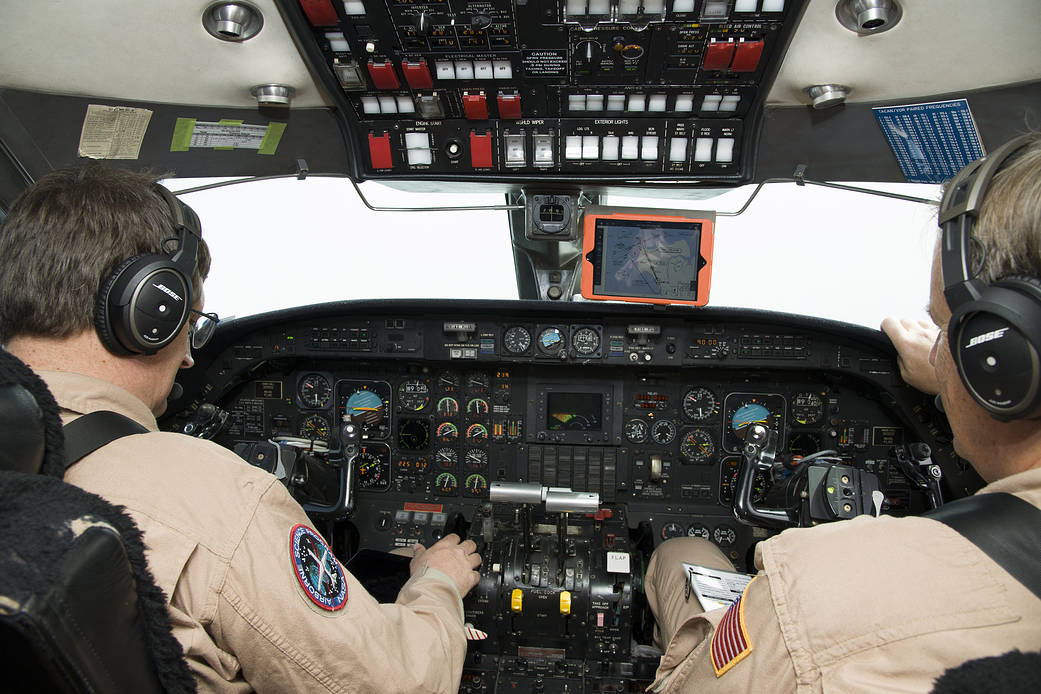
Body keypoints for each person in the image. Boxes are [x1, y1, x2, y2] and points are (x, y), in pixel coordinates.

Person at [0, 165, 482, 693]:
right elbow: (395, 682)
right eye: (191, 322)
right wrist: (438, 582)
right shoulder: (198, 491)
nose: (188, 359)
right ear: (147, 313)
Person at [643, 134, 1041, 693]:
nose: (939, 347)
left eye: (947, 330)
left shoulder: (820, 594)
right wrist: (945, 375)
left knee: (681, 552)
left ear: (999, 360)